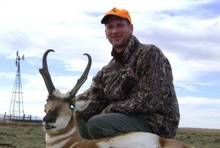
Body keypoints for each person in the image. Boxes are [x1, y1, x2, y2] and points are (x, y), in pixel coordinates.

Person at [76, 7, 180, 139]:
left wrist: (108, 110)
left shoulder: (150, 54)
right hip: (121, 120)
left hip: (155, 124)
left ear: (131, 28)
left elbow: (150, 99)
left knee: (97, 123)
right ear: (106, 32)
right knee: (76, 119)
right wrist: (64, 105)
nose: (114, 31)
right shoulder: (107, 70)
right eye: (110, 27)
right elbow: (93, 98)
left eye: (120, 25)